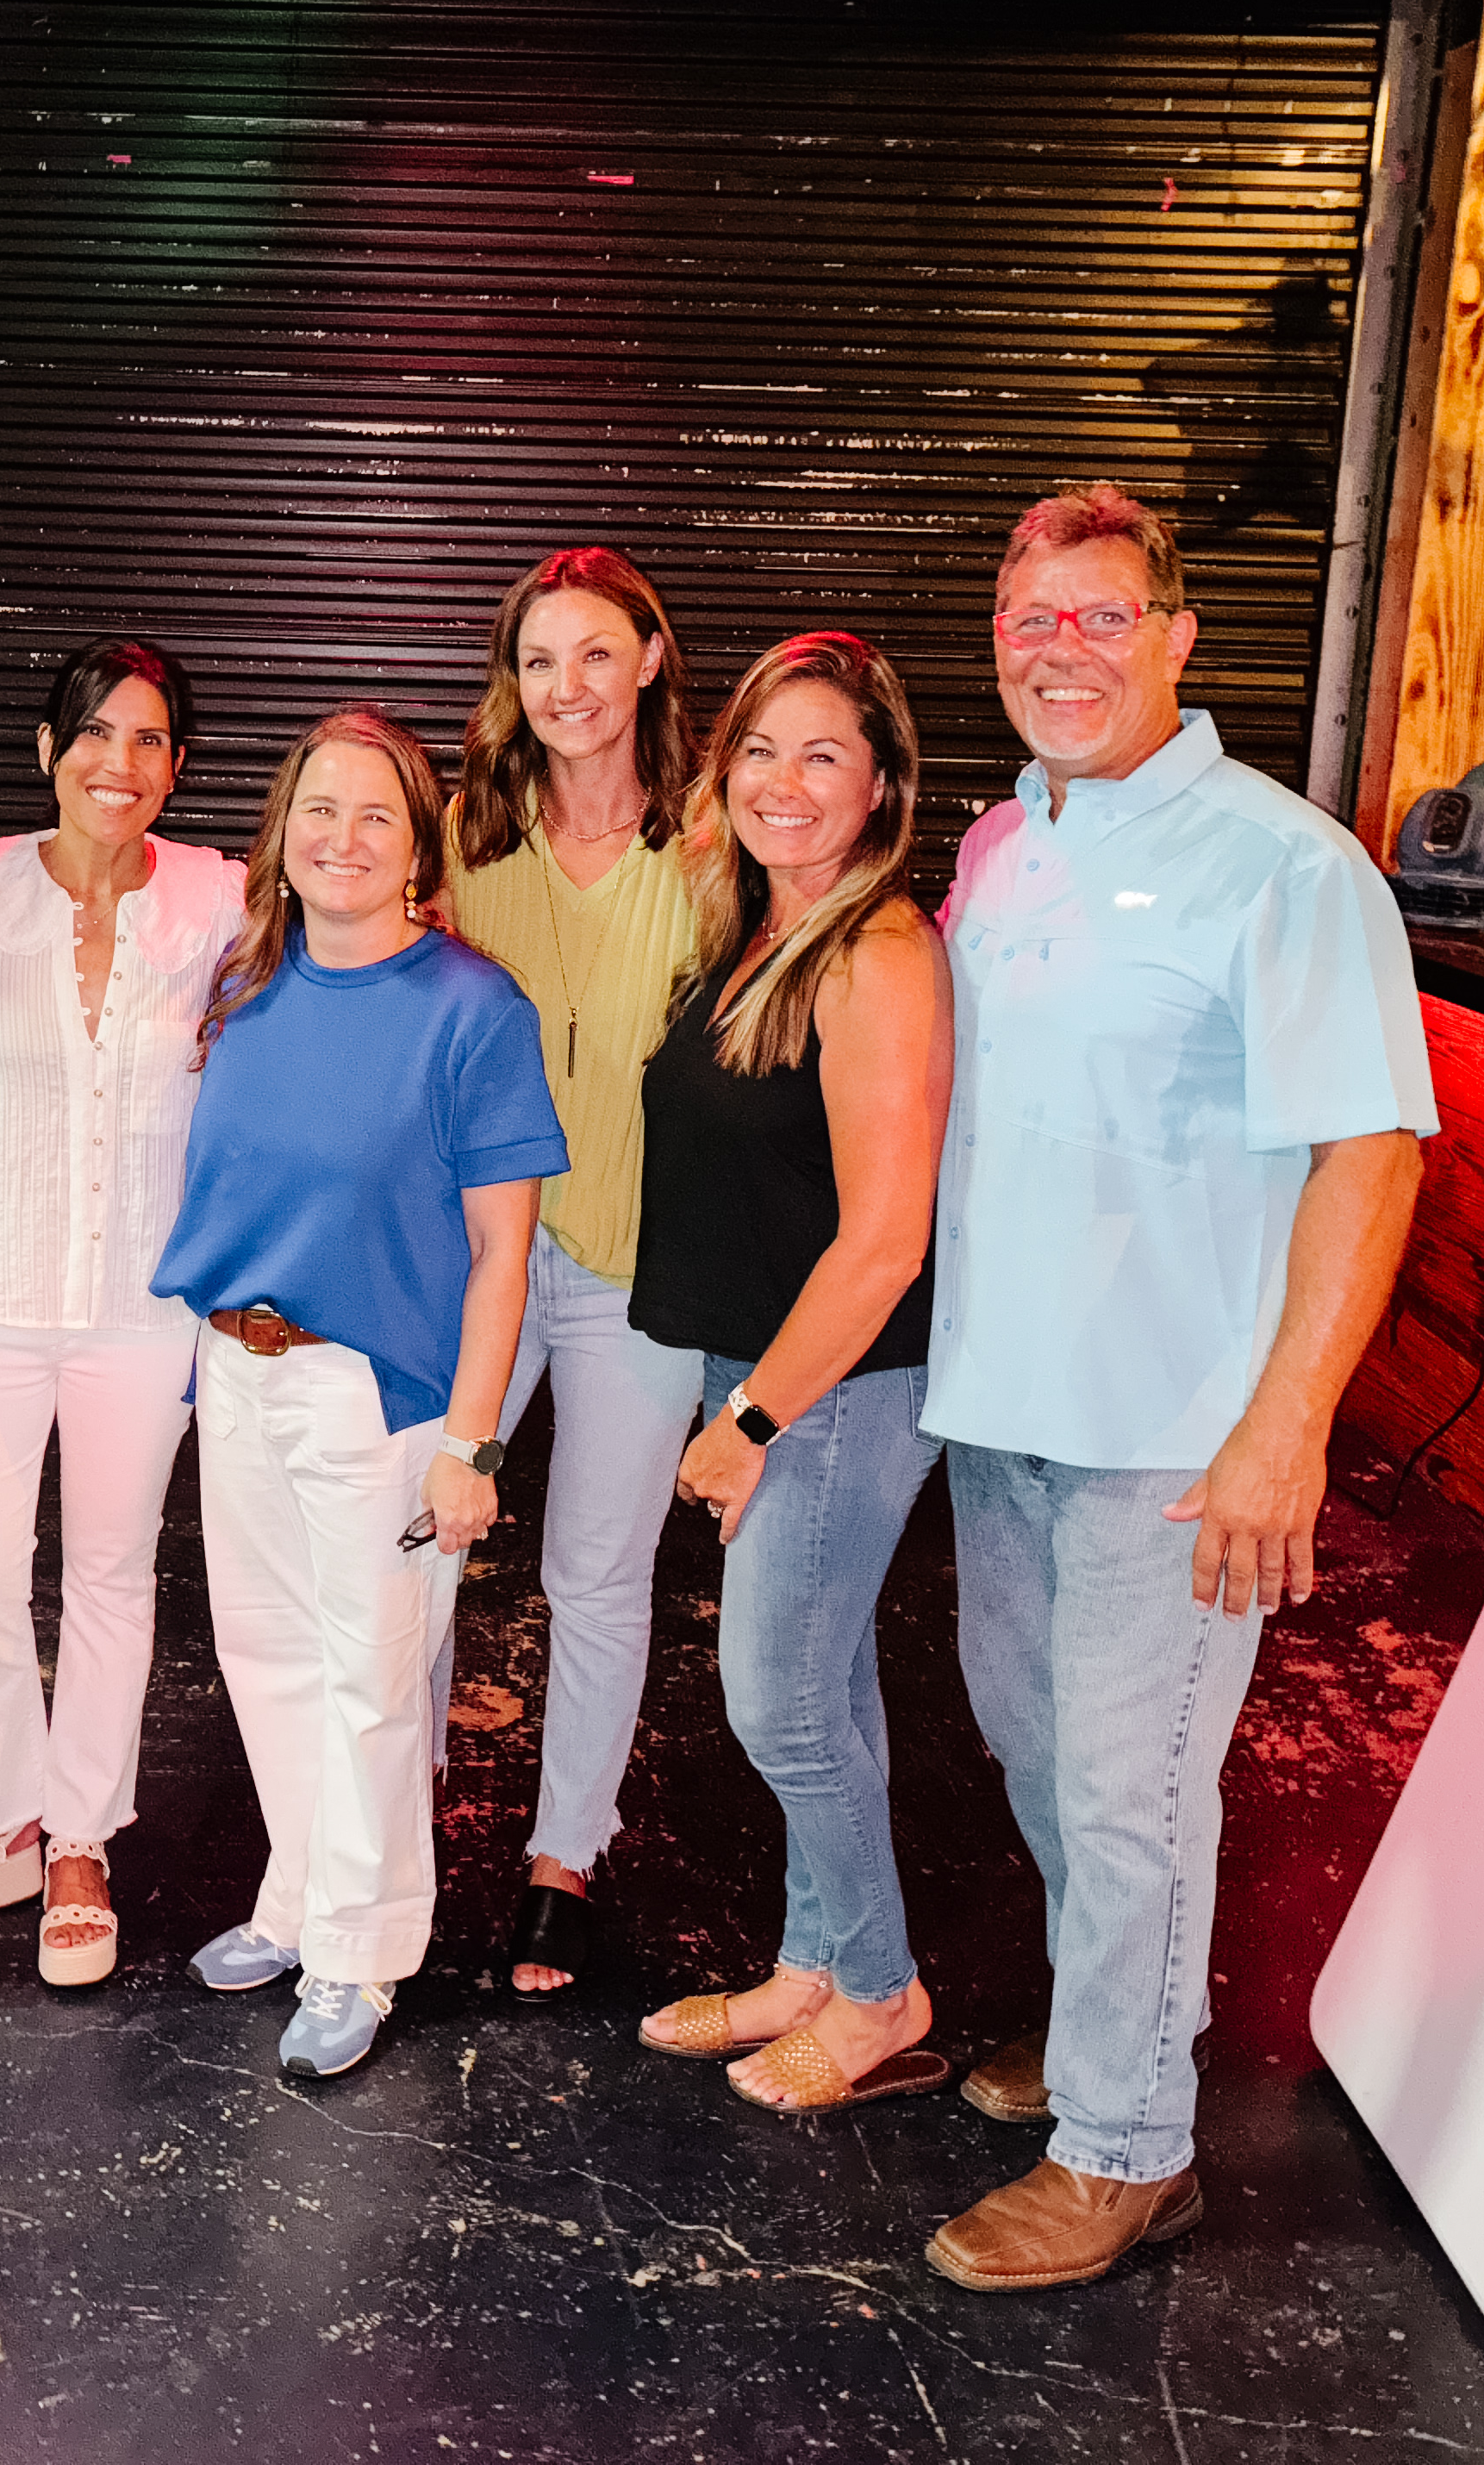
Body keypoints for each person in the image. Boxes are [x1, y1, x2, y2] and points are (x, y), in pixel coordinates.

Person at [922, 484, 1431, 2293]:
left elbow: (1372, 1152)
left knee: (1131, 1791)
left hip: (1176, 1435)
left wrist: (1286, 1427)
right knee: (1039, 1751)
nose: (1062, 649)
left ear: (1176, 637)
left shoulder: (1286, 866)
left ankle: (1128, 2149)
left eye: (1102, 615)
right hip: (1004, 1405)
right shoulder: (1007, 841)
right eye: (1031, 619)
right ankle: (1105, 2036)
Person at [151, 708, 567, 2079]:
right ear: (282, 835)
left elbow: (503, 1254)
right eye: (318, 810)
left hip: (378, 1399)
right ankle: (298, 1902)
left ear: (418, 849)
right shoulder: (246, 983)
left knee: (374, 1683)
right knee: (267, 1657)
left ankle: (363, 1953)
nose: (342, 838)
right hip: (239, 1368)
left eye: (376, 814)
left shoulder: (474, 1009)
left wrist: (473, 1448)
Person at [0, 638, 247, 1988]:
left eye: (147, 740)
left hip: (144, 1308)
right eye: (93, 733)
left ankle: (80, 1837)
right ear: (46, 750)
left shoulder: (218, 899)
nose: (117, 764)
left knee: (108, 1574)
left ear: (177, 767)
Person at [625, 633, 954, 2113]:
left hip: (831, 1384)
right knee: (825, 1682)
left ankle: (880, 1992)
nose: (784, 782)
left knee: (782, 1704)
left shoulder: (878, 954)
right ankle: (812, 1965)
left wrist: (754, 1416)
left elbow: (884, 1241)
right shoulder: (762, 929)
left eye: (825, 754)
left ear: (882, 785)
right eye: (760, 750)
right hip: (765, 1361)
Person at [442, 547, 705, 2002]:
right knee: (422, 1542)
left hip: (634, 1270)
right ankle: (388, 1830)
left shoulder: (715, 841)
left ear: (650, 659)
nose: (568, 688)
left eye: (597, 653)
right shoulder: (471, 837)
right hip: (477, 1258)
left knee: (594, 1574)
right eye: (539, 661)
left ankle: (565, 1856)